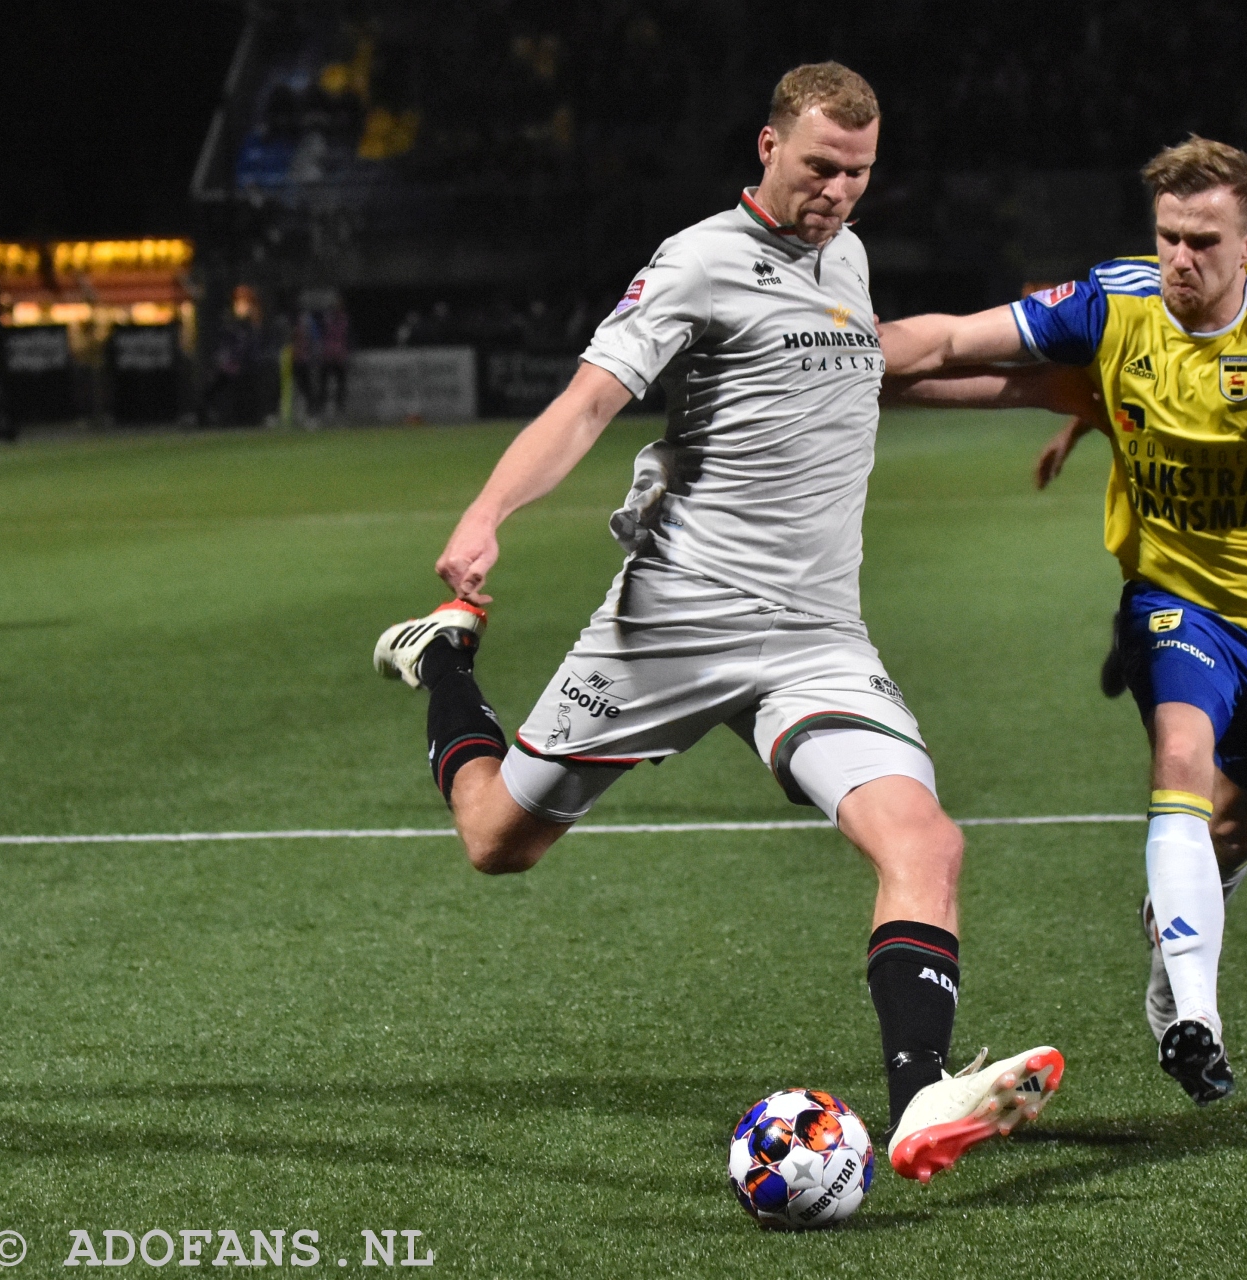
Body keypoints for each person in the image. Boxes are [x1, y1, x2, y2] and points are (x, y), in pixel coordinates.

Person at [369, 62, 1061, 1183]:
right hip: (676, 622)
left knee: (927, 841)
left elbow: (864, 369)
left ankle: (921, 1096)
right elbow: (588, 400)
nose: (838, 191)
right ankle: (446, 654)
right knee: (498, 839)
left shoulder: (848, 256)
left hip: (816, 635)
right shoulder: (697, 262)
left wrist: (1039, 388)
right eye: (820, 167)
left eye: (860, 172)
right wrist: (489, 513)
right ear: (767, 147)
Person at [880, 137, 1247, 1105]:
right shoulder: (1116, 298)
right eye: (1167, 236)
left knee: (1243, 825)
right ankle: (1196, 1016)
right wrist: (824, 345)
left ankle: (1175, 948)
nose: (1180, 258)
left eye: (1202, 240)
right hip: (1173, 595)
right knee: (1181, 760)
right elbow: (948, 346)